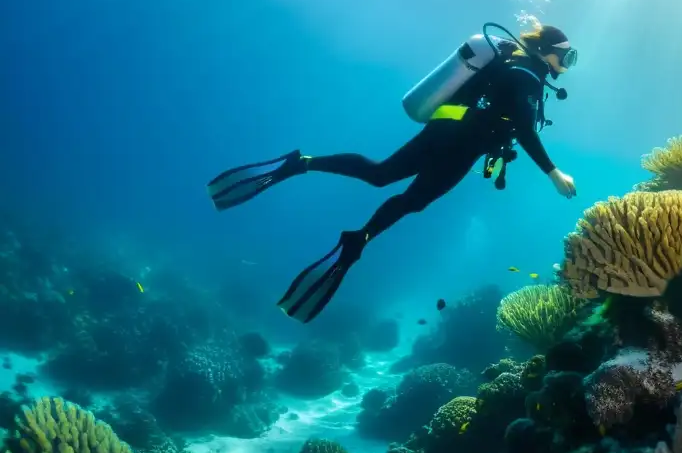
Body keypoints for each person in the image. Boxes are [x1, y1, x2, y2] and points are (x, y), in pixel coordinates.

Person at [206, 23, 578, 323]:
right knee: (408, 198)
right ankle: (358, 237)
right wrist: (553, 172)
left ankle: (305, 168)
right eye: (567, 56)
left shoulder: (516, 67)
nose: (567, 64)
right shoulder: (527, 74)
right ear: (548, 50)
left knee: (383, 176)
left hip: (447, 132)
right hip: (460, 143)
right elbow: (525, 130)